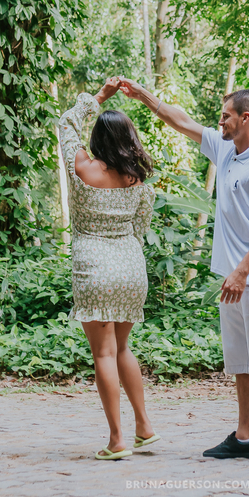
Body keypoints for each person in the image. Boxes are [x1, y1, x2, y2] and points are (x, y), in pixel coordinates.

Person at [117, 79, 249, 466]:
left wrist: (241, 272)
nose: (218, 121)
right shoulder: (226, 150)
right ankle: (245, 436)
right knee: (240, 360)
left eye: (225, 116)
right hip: (233, 278)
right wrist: (144, 96)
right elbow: (181, 121)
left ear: (245, 118)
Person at [57, 77, 159, 461]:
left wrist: (99, 97)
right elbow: (140, 227)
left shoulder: (82, 167)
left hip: (95, 268)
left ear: (98, 138)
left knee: (103, 353)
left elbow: (66, 123)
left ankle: (117, 440)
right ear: (129, 139)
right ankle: (144, 427)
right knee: (123, 349)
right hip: (131, 268)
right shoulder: (138, 180)